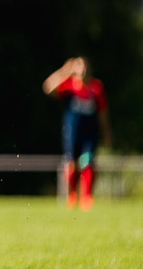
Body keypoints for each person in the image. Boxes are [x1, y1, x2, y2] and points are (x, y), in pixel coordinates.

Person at [43, 56, 112, 210]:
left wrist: (107, 133)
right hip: (72, 133)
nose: (82, 69)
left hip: (90, 134)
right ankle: (72, 195)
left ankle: (87, 196)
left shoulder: (96, 87)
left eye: (84, 65)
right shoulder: (69, 86)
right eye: (79, 66)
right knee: (72, 164)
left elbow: (103, 113)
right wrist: (65, 70)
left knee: (88, 162)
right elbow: (48, 87)